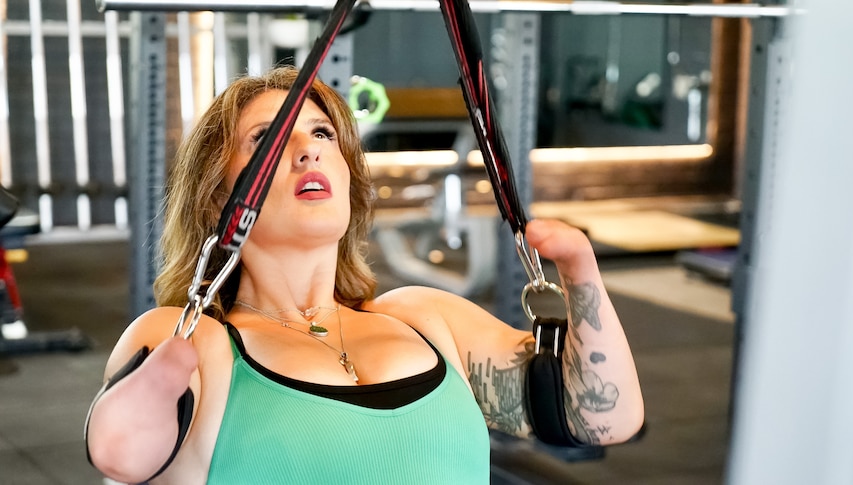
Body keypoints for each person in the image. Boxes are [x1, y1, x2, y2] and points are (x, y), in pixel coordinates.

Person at [85, 66, 644, 484]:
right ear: (216, 200)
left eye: (323, 134)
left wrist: (580, 272)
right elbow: (121, 453)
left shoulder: (427, 318)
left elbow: (600, 419)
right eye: (269, 139)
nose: (307, 152)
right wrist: (161, 379)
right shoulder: (195, 340)